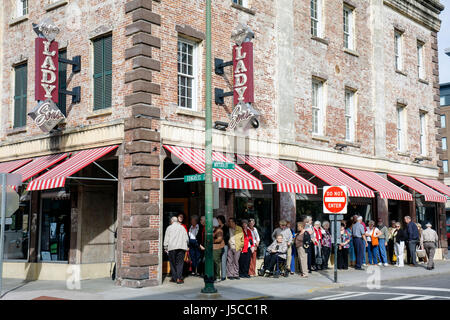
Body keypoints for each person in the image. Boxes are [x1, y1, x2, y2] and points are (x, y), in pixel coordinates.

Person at [163, 216, 189, 284]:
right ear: (177, 221)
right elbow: (187, 238)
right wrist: (186, 245)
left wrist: (165, 247)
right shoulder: (182, 227)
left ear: (172, 221)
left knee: (172, 263)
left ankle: (174, 278)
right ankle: (179, 278)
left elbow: (166, 238)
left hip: (172, 248)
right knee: (180, 263)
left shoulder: (169, 228)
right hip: (181, 248)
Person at [217, 215, 229, 281]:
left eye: (218, 220)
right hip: (217, 245)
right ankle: (217, 275)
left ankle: (223, 276)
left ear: (221, 220)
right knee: (217, 260)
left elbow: (227, 236)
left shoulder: (226, 227)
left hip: (224, 245)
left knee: (223, 260)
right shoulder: (217, 227)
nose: (218, 221)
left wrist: (221, 240)